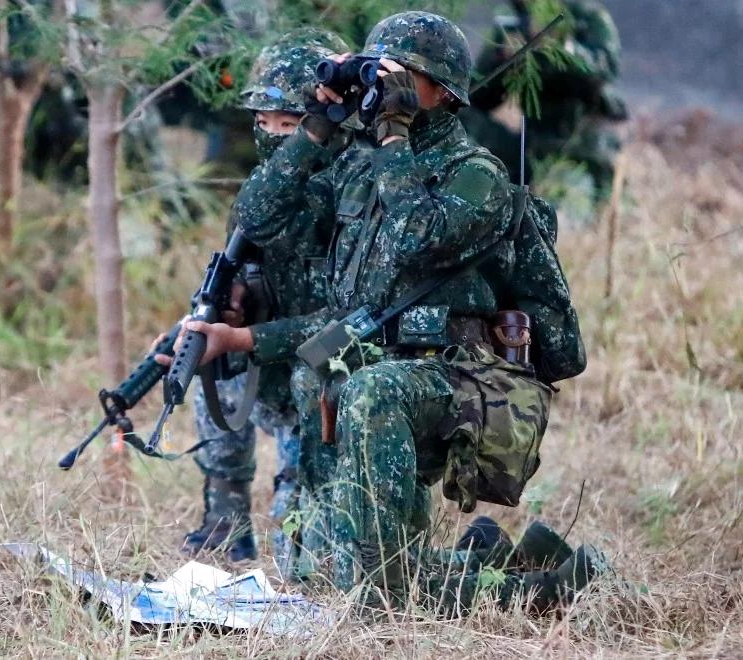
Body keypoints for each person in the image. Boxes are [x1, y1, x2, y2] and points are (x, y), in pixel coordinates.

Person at [163, 12, 601, 610]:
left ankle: (537, 593)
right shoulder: (363, 172)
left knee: (376, 575)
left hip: (455, 374)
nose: (383, 83)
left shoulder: (476, 176)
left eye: (402, 74)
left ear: (443, 92)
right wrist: (315, 128)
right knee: (315, 564)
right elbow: (261, 223)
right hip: (372, 366)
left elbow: (415, 236)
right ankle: (496, 561)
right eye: (376, 70)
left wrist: (393, 134)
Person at [180, 28, 354, 563]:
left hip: (330, 367)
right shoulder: (266, 188)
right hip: (270, 354)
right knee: (208, 360)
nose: (277, 135)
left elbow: (346, 321)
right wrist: (232, 311)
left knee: (297, 554)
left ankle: (299, 502)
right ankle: (224, 519)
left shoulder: (353, 186)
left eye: (293, 123)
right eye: (265, 123)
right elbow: (252, 231)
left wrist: (247, 335)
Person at [461, 0, 627, 202]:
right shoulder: (514, 27)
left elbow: (605, 70)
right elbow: (478, 98)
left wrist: (562, 48)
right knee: (457, 116)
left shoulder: (586, 16)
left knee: (564, 214)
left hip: (582, 151)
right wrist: (503, 59)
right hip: (531, 149)